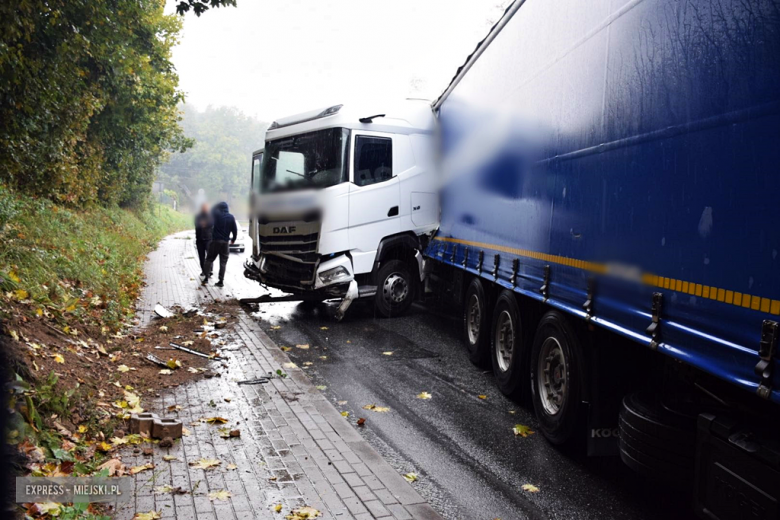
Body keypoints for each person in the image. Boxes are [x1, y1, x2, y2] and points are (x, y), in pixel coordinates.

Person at [201, 201, 237, 287]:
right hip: (225, 243)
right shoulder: (231, 217)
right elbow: (234, 230)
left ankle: (205, 278)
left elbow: (211, 210)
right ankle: (221, 281)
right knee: (223, 262)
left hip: (216, 241)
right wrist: (233, 239)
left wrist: (216, 205)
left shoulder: (216, 215)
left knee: (209, 259)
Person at [194, 203, 213, 270]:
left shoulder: (210, 216)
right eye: (203, 207)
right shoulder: (198, 216)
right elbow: (196, 223)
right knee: (201, 257)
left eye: (206, 207)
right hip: (199, 239)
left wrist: (205, 224)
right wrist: (201, 224)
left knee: (209, 256)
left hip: (208, 239)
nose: (204, 209)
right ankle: (203, 270)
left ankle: (210, 270)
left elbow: (212, 223)